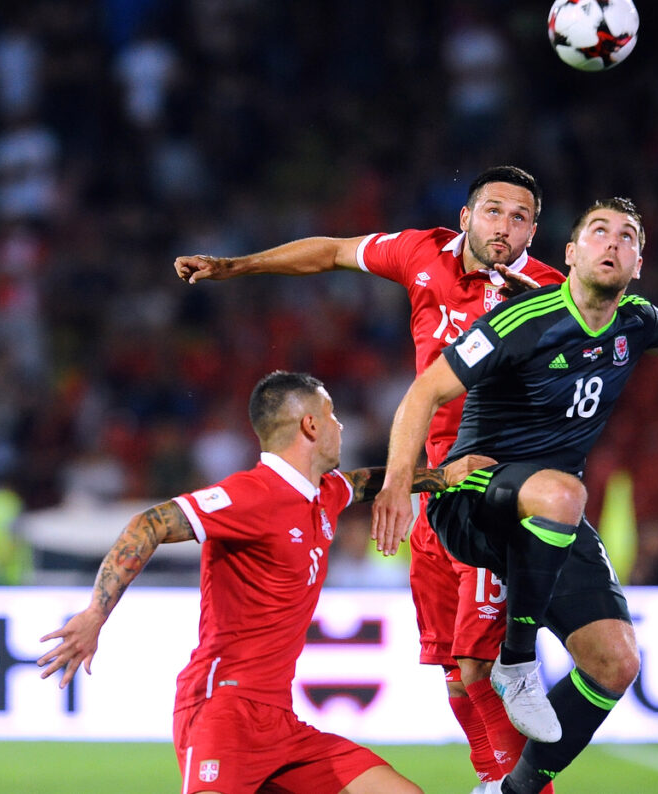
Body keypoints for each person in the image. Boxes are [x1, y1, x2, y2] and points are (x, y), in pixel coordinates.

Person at [370, 197, 658, 794]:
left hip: (550, 510)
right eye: (598, 232)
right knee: (559, 499)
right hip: (471, 499)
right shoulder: (520, 321)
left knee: (616, 661)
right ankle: (518, 661)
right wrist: (399, 482)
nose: (612, 243)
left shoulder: (633, 320)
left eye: (626, 237)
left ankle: (511, 791)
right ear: (570, 254)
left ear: (637, 263)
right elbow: (424, 392)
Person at [174, 166, 566, 785]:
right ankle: (494, 778)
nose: (504, 227)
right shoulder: (419, 253)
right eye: (493, 211)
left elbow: (622, 336)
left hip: (492, 490)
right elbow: (329, 252)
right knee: (449, 666)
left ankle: (520, 786)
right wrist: (235, 267)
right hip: (435, 487)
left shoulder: (549, 293)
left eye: (520, 218)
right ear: (465, 216)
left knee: (478, 663)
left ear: (534, 231)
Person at [37, 370, 490, 794]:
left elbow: (364, 483)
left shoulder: (323, 493)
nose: (341, 426)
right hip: (222, 711)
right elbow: (149, 523)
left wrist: (441, 477)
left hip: (282, 724)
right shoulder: (249, 495)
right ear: (310, 425)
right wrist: (96, 614)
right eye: (332, 416)